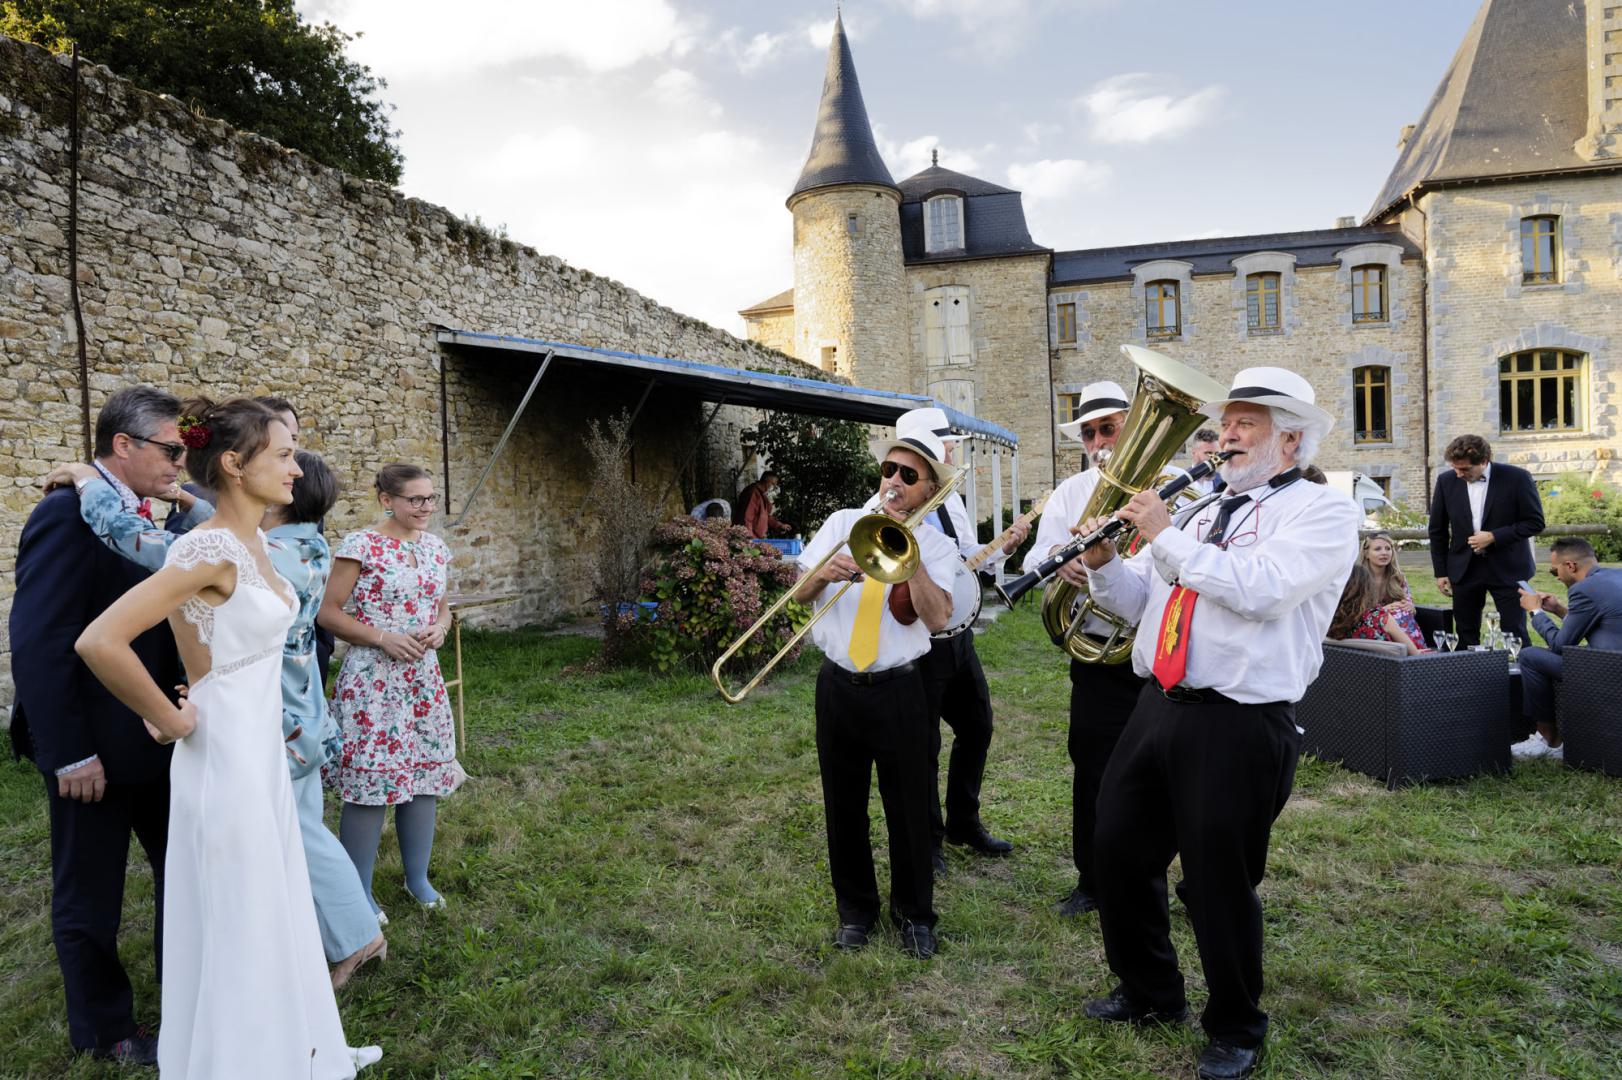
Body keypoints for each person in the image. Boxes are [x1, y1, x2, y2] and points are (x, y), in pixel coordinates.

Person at [74, 397, 380, 1077]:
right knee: (241, 915)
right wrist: (179, 715)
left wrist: (204, 688)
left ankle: (295, 1044)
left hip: (261, 750)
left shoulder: (257, 544)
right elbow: (101, 640)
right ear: (237, 466)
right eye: (283, 453)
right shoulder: (205, 547)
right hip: (227, 759)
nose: (296, 468)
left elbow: (227, 648)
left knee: (273, 903)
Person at [1075, 366, 1359, 1080]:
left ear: (1289, 440)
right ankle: (1150, 992)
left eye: (1245, 425)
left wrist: (1165, 536)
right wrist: (1105, 564)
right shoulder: (1203, 510)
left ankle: (1235, 1025)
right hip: (1157, 705)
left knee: (1216, 883)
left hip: (1238, 722)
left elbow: (1257, 591)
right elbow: (1144, 600)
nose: (1224, 435)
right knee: (1115, 851)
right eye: (1225, 423)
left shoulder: (1321, 513)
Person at [8, 386, 189, 1065]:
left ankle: (191, 997)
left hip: (160, 739)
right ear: (124, 445)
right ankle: (105, 1028)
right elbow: (39, 640)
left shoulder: (157, 516)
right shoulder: (62, 516)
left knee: (184, 873)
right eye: (170, 450)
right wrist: (69, 753)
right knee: (91, 893)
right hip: (94, 755)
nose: (179, 463)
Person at [792, 429, 961, 959]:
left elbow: (937, 620)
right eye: (889, 470)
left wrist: (914, 564)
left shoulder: (936, 544)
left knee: (909, 805)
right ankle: (855, 913)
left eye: (908, 476)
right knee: (843, 805)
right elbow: (798, 596)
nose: (892, 482)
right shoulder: (844, 524)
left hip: (901, 689)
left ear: (929, 489)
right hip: (839, 685)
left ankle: (915, 916)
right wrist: (823, 573)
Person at [864, 408, 1027, 873]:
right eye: (946, 445)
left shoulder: (949, 500)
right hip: (918, 638)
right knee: (924, 743)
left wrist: (1002, 549)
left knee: (977, 725)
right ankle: (929, 839)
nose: (954, 451)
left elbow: (964, 562)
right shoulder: (885, 508)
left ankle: (963, 822)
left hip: (957, 634)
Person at [266, 452, 390, 986]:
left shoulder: (274, 554)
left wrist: (95, 493)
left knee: (301, 831)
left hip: (284, 714)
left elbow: (174, 555)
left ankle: (359, 936)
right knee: (304, 823)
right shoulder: (308, 544)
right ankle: (330, 932)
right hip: (306, 707)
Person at [320, 463, 463, 920]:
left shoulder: (437, 548)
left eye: (429, 499)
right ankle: (357, 891)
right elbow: (328, 613)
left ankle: (417, 878)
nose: (424, 508)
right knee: (372, 780)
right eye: (414, 499)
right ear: (387, 499)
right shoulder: (361, 545)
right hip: (374, 679)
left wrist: (440, 630)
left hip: (422, 678)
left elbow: (443, 609)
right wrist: (383, 637)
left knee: (423, 777)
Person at [1025, 380, 1142, 918]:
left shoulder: (1168, 484)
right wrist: (1060, 557)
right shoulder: (1072, 491)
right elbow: (1034, 560)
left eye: (1108, 428)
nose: (1098, 440)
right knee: (1093, 764)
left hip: (1158, 653)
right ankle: (1091, 880)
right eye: (1090, 432)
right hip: (1098, 649)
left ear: (1131, 426)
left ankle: (1170, 878)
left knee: (1168, 770)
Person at [1427, 434, 1544, 647]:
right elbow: (1437, 530)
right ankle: (1470, 677)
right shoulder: (1446, 481)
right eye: (1455, 468)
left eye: (1464, 469)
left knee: (1515, 632)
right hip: (1464, 568)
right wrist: (1441, 571)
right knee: (1465, 633)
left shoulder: (1517, 478)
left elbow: (1535, 522)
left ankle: (1521, 676)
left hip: (1508, 568)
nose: (1458, 473)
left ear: (1484, 461)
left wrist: (1494, 536)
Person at [1511, 537, 1622, 760]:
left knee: (1530, 656)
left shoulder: (1584, 589)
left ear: (1571, 566)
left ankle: (1549, 741)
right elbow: (1601, 624)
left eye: (1555, 572)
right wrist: (1559, 610)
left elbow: (1561, 646)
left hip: (1611, 673)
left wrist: (1536, 612)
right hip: (1612, 662)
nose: (1558, 577)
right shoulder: (1615, 576)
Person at [1327, 565, 1427, 654]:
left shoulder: (1330, 618)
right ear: (1367, 589)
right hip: (1388, 670)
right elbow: (1414, 653)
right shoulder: (1380, 618)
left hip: (1342, 669)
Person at [1359, 530, 1416, 612]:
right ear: (1366, 554)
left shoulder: (1398, 577)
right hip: (1372, 622)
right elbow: (1353, 612)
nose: (1384, 553)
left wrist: (1410, 606)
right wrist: (1382, 611)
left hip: (1401, 621)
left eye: (1388, 549)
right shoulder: (1357, 579)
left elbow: (1412, 607)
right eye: (1377, 549)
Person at [734, 471, 791, 539]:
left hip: (757, 538)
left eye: (775, 485)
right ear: (766, 480)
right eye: (772, 483)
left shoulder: (762, 495)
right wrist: (748, 537)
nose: (773, 487)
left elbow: (765, 516)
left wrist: (779, 525)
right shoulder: (753, 493)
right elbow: (747, 517)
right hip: (750, 538)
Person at [1189, 428, 1221, 495]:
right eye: (1208, 453)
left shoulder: (1224, 483)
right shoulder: (1179, 480)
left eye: (1216, 454)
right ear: (1194, 453)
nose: (1214, 459)